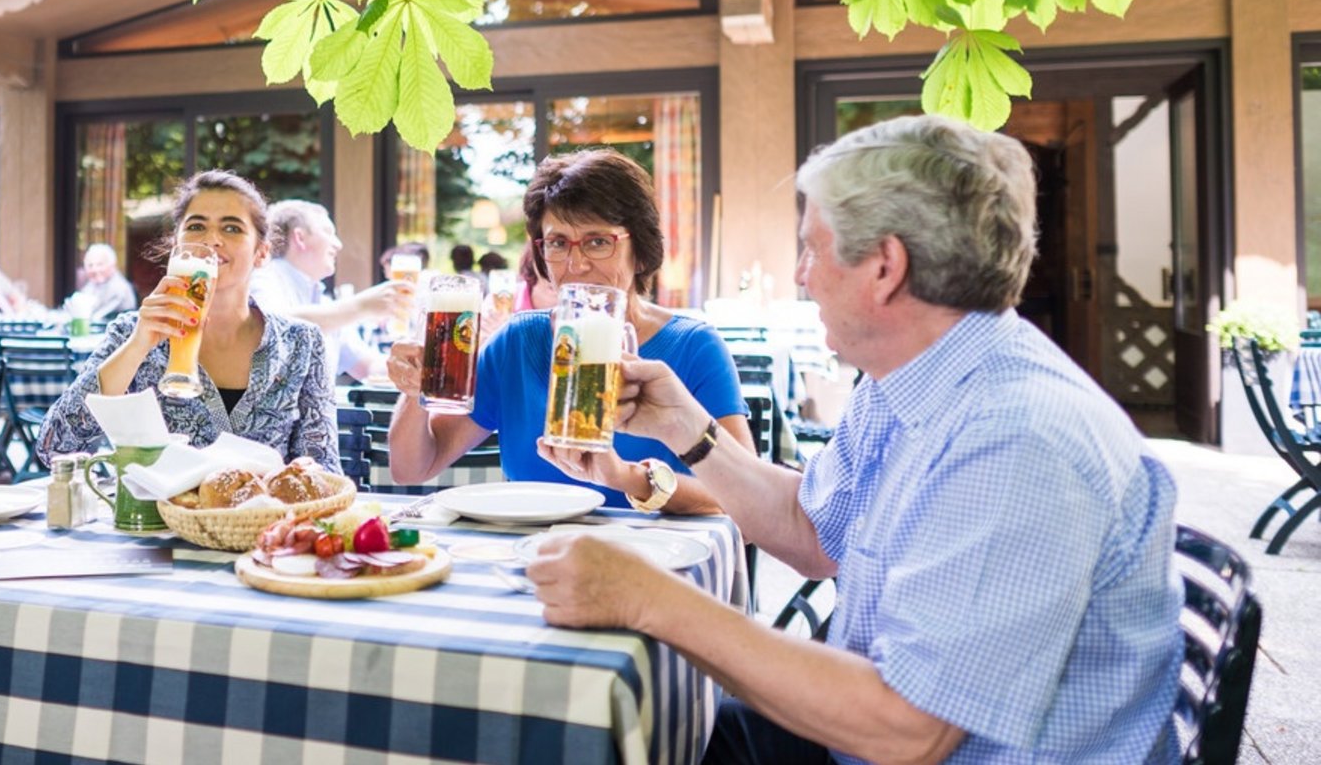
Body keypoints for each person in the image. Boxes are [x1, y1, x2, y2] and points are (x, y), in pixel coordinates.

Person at [526, 116, 1183, 764]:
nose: (801, 275)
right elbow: (812, 530)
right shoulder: (908, 378)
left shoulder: (1016, 437)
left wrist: (650, 598)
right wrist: (687, 432)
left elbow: (907, 731)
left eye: (813, 247)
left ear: (884, 266)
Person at [386, 148, 752, 511]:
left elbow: (748, 501)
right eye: (559, 243)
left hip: (655, 562)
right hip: (531, 556)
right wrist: (416, 386)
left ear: (639, 251)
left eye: (598, 241)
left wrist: (628, 477)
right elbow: (411, 468)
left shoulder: (693, 347)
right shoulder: (518, 342)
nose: (576, 264)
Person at [38, 171, 338, 470]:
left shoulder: (302, 343)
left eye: (232, 228)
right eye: (196, 226)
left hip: (261, 516)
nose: (212, 240)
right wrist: (137, 346)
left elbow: (323, 468)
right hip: (158, 517)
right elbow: (55, 448)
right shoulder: (132, 332)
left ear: (262, 253)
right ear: (175, 246)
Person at [248, 200, 411, 383]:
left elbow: (369, 367)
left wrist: (414, 363)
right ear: (300, 238)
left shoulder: (325, 304)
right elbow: (270, 325)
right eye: (328, 232)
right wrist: (362, 306)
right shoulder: (263, 277)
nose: (339, 244)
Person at [66, 242, 137, 320]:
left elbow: (95, 316)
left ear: (112, 266)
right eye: (90, 265)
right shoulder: (92, 284)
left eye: (100, 264)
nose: (95, 269)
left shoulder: (119, 288)